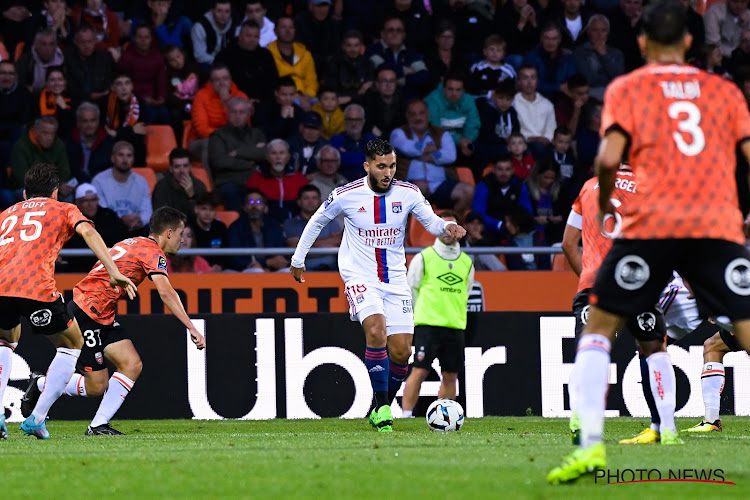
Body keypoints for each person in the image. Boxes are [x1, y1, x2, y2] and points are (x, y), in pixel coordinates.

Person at [548, 0, 750, 483]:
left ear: (641, 44)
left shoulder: (629, 87)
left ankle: (591, 447)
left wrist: (604, 202)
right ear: (688, 42)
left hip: (654, 225)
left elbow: (608, 157)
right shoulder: (723, 91)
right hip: (713, 222)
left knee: (597, 324)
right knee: (744, 324)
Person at [290, 138, 467, 433]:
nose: (388, 172)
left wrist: (447, 227)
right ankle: (384, 409)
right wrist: (298, 258)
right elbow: (317, 221)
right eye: (382, 166)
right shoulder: (346, 195)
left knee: (401, 353)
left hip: (396, 279)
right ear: (367, 166)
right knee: (375, 329)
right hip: (360, 276)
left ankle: (377, 405)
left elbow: (432, 222)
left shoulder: (408, 193)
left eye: (393, 166)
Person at [21, 207, 205, 435]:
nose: (181, 240)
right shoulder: (153, 252)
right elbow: (166, 293)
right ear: (168, 233)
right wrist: (191, 327)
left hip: (102, 313)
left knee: (132, 364)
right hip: (87, 313)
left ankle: (98, 425)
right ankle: (40, 385)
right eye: (180, 234)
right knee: (96, 386)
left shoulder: (133, 242)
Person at [0, 163, 136, 440]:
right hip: (35, 287)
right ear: (55, 192)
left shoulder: (7, 213)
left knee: (6, 339)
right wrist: (113, 270)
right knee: (72, 344)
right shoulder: (63, 209)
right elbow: (87, 232)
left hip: (1, 287)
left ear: (25, 193)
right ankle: (36, 419)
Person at [401, 210, 474, 417]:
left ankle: (445, 417)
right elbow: (411, 289)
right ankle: (406, 414)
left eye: (452, 227)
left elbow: (466, 292)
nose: (448, 232)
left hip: (455, 325)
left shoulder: (467, 262)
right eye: (444, 226)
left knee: (451, 374)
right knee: (420, 370)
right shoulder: (424, 258)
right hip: (428, 324)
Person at [390, 99, 474, 213]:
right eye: (413, 114)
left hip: (439, 184)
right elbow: (406, 147)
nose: (418, 118)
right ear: (407, 116)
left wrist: (423, 155)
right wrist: (433, 152)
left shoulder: (441, 133)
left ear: (428, 114)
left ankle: (452, 224)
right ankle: (409, 228)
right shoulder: (398, 133)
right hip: (409, 183)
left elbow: (451, 156)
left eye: (421, 113)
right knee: (419, 187)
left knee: (468, 191)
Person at [208, 96, 267, 211]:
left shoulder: (257, 133)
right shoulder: (218, 136)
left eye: (241, 112)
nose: (237, 116)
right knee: (230, 192)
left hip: (255, 182)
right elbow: (220, 162)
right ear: (228, 113)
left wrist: (238, 152)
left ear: (248, 114)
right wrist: (251, 161)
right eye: (234, 112)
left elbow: (264, 154)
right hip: (229, 183)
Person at [62, 182, 128, 272]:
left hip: (109, 268)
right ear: (77, 202)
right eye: (85, 201)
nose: (90, 204)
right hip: (78, 268)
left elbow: (123, 238)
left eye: (93, 200)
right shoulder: (69, 219)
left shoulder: (109, 216)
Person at [92, 141, 153, 237]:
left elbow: (147, 211)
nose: (125, 159)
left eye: (129, 156)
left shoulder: (141, 182)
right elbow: (100, 212)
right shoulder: (99, 181)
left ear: (133, 159)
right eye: (121, 155)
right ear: (113, 158)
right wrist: (121, 220)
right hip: (109, 231)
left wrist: (139, 220)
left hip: (136, 229)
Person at [10, 117, 74, 204]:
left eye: (52, 134)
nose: (49, 138)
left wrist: (59, 186)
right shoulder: (21, 146)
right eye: (45, 133)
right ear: (35, 132)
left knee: (68, 196)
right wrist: (46, 189)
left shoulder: (59, 145)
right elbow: (22, 177)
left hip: (52, 189)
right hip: (27, 190)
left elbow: (64, 172)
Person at [365, 16, 430, 100]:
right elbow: (382, 68)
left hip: (406, 100)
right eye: (390, 30)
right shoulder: (372, 50)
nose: (395, 34)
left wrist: (400, 81)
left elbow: (424, 76)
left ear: (404, 35)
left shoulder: (412, 53)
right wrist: (405, 70)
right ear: (383, 34)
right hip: (379, 100)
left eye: (399, 31)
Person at [214, 20, 279, 104]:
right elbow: (219, 82)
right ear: (240, 36)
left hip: (262, 102)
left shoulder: (266, 55)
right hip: (234, 102)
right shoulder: (225, 55)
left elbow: (273, 81)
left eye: (256, 36)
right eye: (248, 36)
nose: (252, 39)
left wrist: (260, 101)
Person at [225, 188, 288, 272]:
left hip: (272, 269)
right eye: (250, 202)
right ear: (244, 207)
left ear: (265, 208)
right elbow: (234, 258)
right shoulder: (236, 227)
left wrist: (274, 264)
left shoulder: (274, 226)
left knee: (289, 272)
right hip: (246, 269)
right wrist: (265, 263)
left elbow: (281, 250)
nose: (254, 206)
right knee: (257, 271)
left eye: (258, 202)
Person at [117, 24, 169, 125]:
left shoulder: (157, 56)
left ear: (151, 39)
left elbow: (161, 80)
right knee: (148, 114)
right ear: (134, 38)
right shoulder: (127, 57)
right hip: (134, 101)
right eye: (140, 37)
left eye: (146, 37)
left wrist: (160, 98)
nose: (143, 40)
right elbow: (123, 83)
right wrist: (141, 99)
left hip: (154, 100)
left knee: (164, 114)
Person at [246, 139, 309, 222]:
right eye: (273, 153)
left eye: (282, 153)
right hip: (265, 224)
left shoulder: (299, 179)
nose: (278, 157)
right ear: (267, 157)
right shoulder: (256, 178)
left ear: (288, 157)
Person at [284, 185, 341, 271]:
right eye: (306, 198)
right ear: (299, 202)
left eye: (314, 198)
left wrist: (308, 244)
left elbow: (338, 241)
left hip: (332, 269)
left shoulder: (331, 221)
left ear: (320, 201)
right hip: (303, 271)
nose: (311, 202)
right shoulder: (291, 223)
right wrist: (328, 243)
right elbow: (295, 248)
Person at [267, 16, 318, 110]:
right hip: (282, 97)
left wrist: (307, 96)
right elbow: (271, 82)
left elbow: (312, 81)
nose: (288, 31)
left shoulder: (305, 54)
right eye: (283, 27)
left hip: (306, 96)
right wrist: (294, 97)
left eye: (291, 27)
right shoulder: (268, 54)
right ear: (275, 31)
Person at [573, 15, 625, 102]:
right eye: (595, 30)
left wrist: (604, 55)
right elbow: (588, 79)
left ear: (608, 33)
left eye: (603, 30)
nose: (599, 35)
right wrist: (606, 79)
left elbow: (618, 78)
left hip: (613, 94)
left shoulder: (617, 53)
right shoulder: (579, 52)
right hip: (588, 96)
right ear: (588, 32)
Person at [64, 24, 116, 108]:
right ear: (75, 42)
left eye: (90, 41)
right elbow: (68, 87)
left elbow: (112, 80)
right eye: (83, 42)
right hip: (74, 103)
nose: (87, 46)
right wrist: (89, 96)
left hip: (102, 102)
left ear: (95, 41)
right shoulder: (67, 58)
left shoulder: (105, 58)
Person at [513, 65, 557, 158]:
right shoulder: (513, 103)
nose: (529, 82)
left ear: (537, 81)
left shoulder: (547, 104)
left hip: (544, 143)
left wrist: (544, 139)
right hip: (521, 143)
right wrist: (530, 138)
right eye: (525, 78)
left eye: (533, 78)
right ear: (519, 81)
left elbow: (551, 130)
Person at [66, 101, 115, 183]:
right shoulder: (69, 142)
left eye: (93, 120)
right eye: (85, 121)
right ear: (78, 123)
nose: (89, 125)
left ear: (98, 121)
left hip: (101, 184)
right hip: (75, 185)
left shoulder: (108, 142)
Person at [323, 29, 374, 106]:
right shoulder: (334, 63)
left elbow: (368, 92)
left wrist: (351, 97)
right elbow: (331, 89)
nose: (353, 49)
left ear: (361, 46)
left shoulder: (368, 64)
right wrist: (358, 93)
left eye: (356, 45)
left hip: (363, 104)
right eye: (349, 45)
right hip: (338, 104)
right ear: (343, 46)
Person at [152, 148, 208, 215]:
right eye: (177, 167)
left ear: (190, 167)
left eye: (185, 166)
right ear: (171, 169)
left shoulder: (199, 186)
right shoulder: (161, 187)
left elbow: (202, 218)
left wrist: (191, 197)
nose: (182, 171)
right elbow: (161, 218)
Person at [329, 104, 377, 181]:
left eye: (357, 120)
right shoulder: (336, 139)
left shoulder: (372, 139)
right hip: (344, 185)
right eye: (350, 120)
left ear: (363, 121)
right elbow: (336, 162)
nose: (354, 124)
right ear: (344, 121)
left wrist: (346, 156)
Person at [362, 65, 406, 139]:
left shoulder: (404, 103)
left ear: (396, 83)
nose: (388, 85)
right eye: (384, 81)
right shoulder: (368, 102)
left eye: (392, 81)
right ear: (377, 84)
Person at [16, 29, 65, 93]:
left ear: (56, 46)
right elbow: (20, 86)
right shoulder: (25, 61)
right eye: (43, 44)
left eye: (51, 44)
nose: (48, 49)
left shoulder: (65, 61)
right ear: (35, 45)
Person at [191, 0, 235, 69]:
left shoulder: (233, 25)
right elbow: (199, 56)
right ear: (212, 11)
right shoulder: (200, 27)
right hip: (207, 63)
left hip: (226, 63)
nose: (223, 15)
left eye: (227, 11)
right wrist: (220, 62)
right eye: (219, 11)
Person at [190, 191, 226, 270]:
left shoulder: (220, 227)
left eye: (212, 210)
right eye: (204, 209)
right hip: (194, 270)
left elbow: (226, 253)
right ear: (196, 209)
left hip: (217, 271)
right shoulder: (188, 228)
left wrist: (219, 266)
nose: (208, 213)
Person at [36, 66, 74, 140]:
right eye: (52, 80)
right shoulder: (38, 97)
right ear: (46, 83)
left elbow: (70, 127)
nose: (56, 83)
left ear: (65, 82)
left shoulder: (73, 97)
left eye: (60, 79)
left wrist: (63, 108)